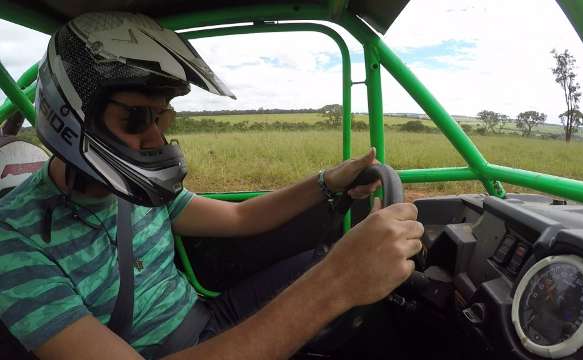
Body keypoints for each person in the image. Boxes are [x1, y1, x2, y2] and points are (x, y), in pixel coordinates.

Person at [0, 12, 424, 359]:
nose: (155, 141)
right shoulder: (14, 244)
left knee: (335, 268)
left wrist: (326, 183)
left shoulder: (143, 195)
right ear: (71, 113)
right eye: (135, 119)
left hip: (208, 314)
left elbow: (241, 216)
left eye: (162, 118)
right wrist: (335, 284)